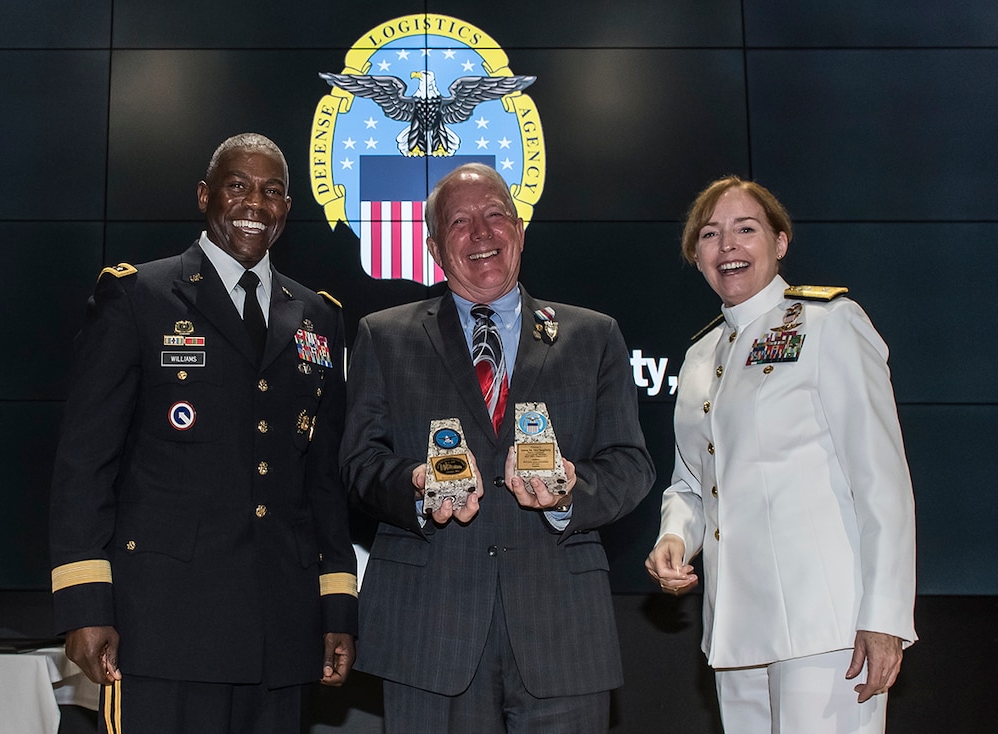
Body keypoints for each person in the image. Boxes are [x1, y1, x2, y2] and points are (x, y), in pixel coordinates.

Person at [48, 133, 357, 733]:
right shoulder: (138, 296)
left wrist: (337, 603)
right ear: (204, 195)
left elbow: (323, 482)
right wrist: (84, 602)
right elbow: (85, 464)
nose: (255, 204)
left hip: (281, 628)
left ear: (287, 209)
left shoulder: (319, 317)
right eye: (238, 185)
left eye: (272, 192)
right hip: (165, 626)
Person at [340, 162, 655, 733]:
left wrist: (567, 493)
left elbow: (631, 464)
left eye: (495, 216)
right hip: (428, 633)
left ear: (520, 231)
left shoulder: (593, 335)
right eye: (460, 222)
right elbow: (358, 464)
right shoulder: (383, 336)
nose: (481, 233)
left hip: (562, 633)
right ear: (435, 248)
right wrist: (413, 488)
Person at [645, 176, 917, 733]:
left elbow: (881, 482)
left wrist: (886, 617)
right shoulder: (700, 355)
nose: (729, 247)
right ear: (695, 256)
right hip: (736, 630)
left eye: (746, 230)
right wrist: (675, 536)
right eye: (711, 235)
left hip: (828, 629)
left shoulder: (830, 323)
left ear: (780, 241)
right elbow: (694, 484)